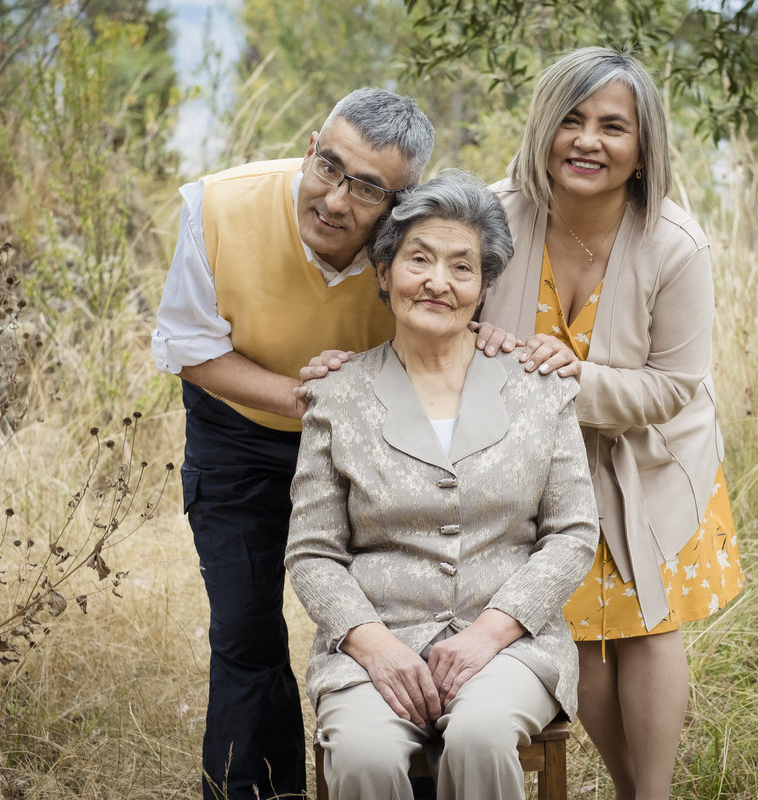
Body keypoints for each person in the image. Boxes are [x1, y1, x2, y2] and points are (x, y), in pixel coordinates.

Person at [152, 89, 523, 800]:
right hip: (240, 436)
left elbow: (465, 327)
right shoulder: (217, 205)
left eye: (367, 189)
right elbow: (189, 348)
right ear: (310, 145)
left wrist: (505, 344)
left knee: (400, 613)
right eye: (327, 166)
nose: (334, 199)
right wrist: (306, 396)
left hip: (375, 443)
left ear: (399, 202)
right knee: (245, 629)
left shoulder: (417, 248)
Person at [477, 48, 746, 800]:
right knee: (581, 638)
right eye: (571, 119)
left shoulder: (676, 244)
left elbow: (674, 386)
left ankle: (651, 793)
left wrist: (571, 380)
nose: (587, 141)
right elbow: (446, 313)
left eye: (612, 126)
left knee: (647, 625)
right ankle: (632, 790)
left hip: (648, 459)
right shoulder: (492, 218)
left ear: (643, 148)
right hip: (539, 466)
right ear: (544, 128)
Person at [284, 171, 599, 800]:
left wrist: (491, 631)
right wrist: (374, 645)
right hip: (374, 643)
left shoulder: (540, 387)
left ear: (482, 287)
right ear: (383, 272)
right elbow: (313, 552)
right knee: (363, 755)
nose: (438, 282)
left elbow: (572, 534)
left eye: (462, 267)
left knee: (480, 736)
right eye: (419, 259)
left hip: (510, 644)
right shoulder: (336, 395)